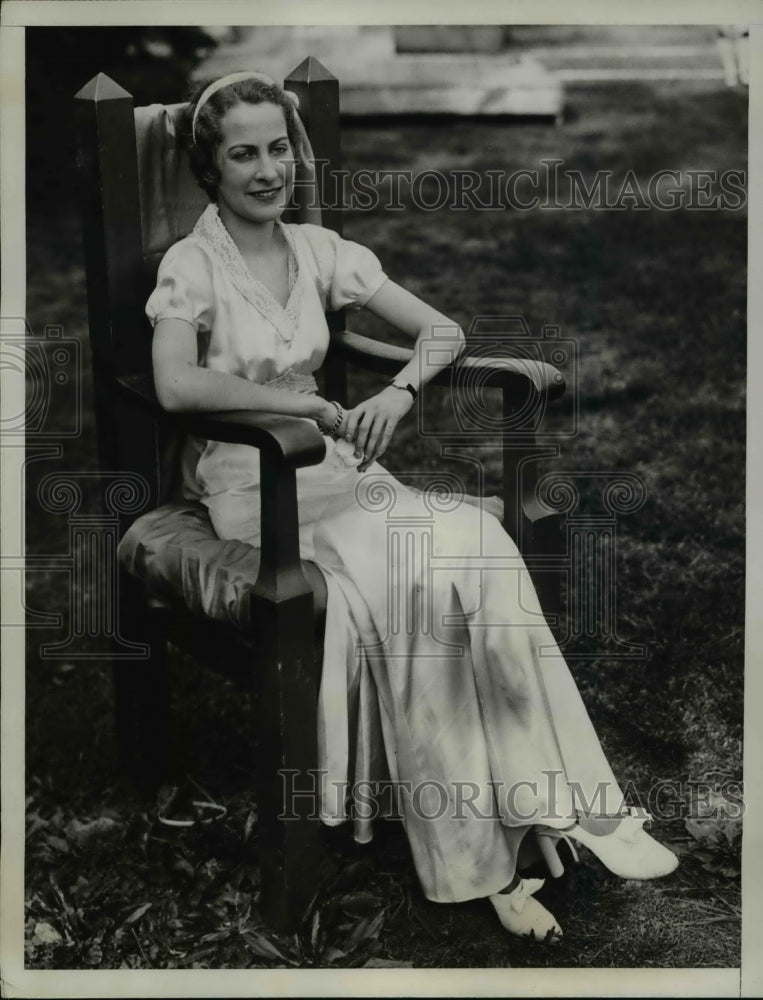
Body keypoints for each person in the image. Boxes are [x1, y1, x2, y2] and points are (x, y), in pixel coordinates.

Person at [146, 70, 678, 943]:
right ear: (210, 170)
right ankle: (479, 860)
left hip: (340, 476)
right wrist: (304, 407)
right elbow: (173, 383)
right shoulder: (192, 265)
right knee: (416, 585)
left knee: (472, 543)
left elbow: (445, 332)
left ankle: (549, 804)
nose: (267, 168)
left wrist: (398, 391)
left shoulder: (317, 249)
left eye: (279, 147)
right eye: (242, 153)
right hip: (257, 484)